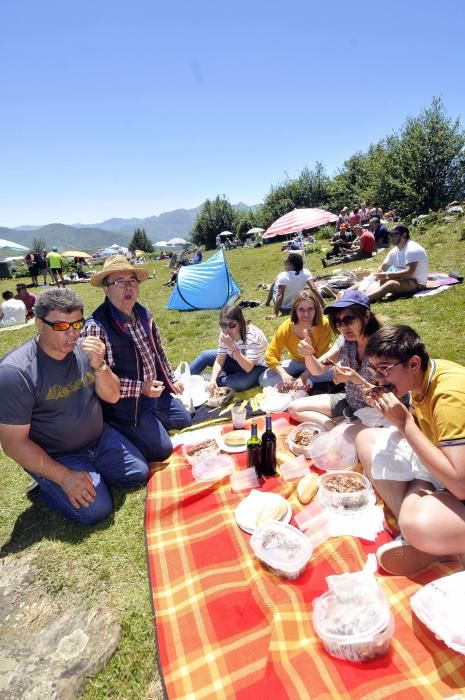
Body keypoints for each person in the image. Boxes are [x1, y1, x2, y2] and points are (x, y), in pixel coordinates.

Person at [0, 288, 148, 524]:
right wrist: (63, 476)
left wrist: (99, 365)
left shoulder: (84, 349)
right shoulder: (15, 373)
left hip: (99, 439)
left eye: (77, 324)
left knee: (138, 473)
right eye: (61, 326)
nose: (72, 334)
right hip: (57, 454)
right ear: (39, 323)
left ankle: (86, 472)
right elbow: (13, 444)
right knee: (96, 510)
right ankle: (47, 482)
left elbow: (112, 396)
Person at [355, 325, 465, 576]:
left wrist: (403, 423)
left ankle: (438, 541)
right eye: (374, 370)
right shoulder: (422, 379)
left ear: (413, 363)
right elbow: (425, 427)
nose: (377, 379)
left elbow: (460, 485)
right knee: (366, 439)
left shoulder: (449, 396)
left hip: (459, 479)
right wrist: (396, 417)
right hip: (446, 459)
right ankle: (428, 539)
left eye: (383, 369)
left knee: (416, 523)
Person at [83, 256, 191, 462]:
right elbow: (99, 380)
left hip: (154, 394)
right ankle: (115, 428)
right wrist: (141, 388)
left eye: (132, 282)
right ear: (106, 289)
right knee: (162, 451)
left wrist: (171, 379)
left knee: (184, 420)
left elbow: (158, 351)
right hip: (126, 406)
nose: (128, 288)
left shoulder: (143, 314)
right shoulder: (97, 327)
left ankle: (151, 424)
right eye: (120, 282)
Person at [288, 290, 381, 430]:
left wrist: (356, 379)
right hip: (350, 401)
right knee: (294, 408)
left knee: (345, 443)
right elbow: (317, 369)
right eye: (338, 322)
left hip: (376, 412)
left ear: (366, 315)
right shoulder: (345, 340)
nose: (343, 327)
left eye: (348, 319)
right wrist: (308, 355)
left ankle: (342, 425)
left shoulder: (384, 346)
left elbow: (389, 397)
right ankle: (333, 426)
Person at [259, 289, 333, 389]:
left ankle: (301, 381)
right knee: (264, 379)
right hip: (297, 362)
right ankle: (296, 382)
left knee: (338, 372)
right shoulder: (286, 327)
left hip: (319, 363)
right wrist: (283, 375)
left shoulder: (324, 324)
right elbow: (271, 353)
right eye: (301, 309)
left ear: (316, 309)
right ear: (295, 310)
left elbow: (322, 358)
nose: (306, 314)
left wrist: (304, 376)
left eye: (310, 309)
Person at [189, 305, 268, 391]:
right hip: (236, 361)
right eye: (223, 325)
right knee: (205, 355)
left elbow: (248, 367)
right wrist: (213, 379)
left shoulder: (252, 335)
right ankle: (180, 380)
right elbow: (219, 360)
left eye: (232, 325)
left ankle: (207, 380)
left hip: (257, 367)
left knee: (239, 384)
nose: (227, 329)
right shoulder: (224, 333)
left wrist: (232, 346)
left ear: (240, 323)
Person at [365, 224, 428, 303]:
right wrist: (378, 274)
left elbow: (409, 272)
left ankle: (364, 299)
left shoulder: (413, 249)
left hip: (416, 283)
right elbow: (383, 267)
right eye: (390, 235)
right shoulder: (395, 250)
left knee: (390, 284)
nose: (391, 237)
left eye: (394, 235)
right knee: (379, 280)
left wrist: (387, 275)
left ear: (404, 235)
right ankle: (363, 294)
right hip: (403, 279)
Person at [264, 253, 317, 318]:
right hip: (296, 305)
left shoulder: (283, 275)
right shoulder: (306, 272)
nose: (284, 262)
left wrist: (275, 314)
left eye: (286, 261)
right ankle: (267, 302)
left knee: (275, 282)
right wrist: (323, 304)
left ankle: (267, 302)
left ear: (291, 264)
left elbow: (280, 294)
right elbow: (313, 288)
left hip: (283, 308)